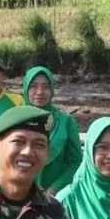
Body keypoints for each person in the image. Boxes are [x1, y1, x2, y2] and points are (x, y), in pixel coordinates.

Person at [21, 66, 82, 194]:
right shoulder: (13, 119)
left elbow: (76, 163)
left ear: (52, 90)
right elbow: (0, 160)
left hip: (56, 197)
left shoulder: (65, 121)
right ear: (25, 88)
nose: (39, 92)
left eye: (46, 87)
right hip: (18, 194)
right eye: (33, 86)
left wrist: (53, 190)